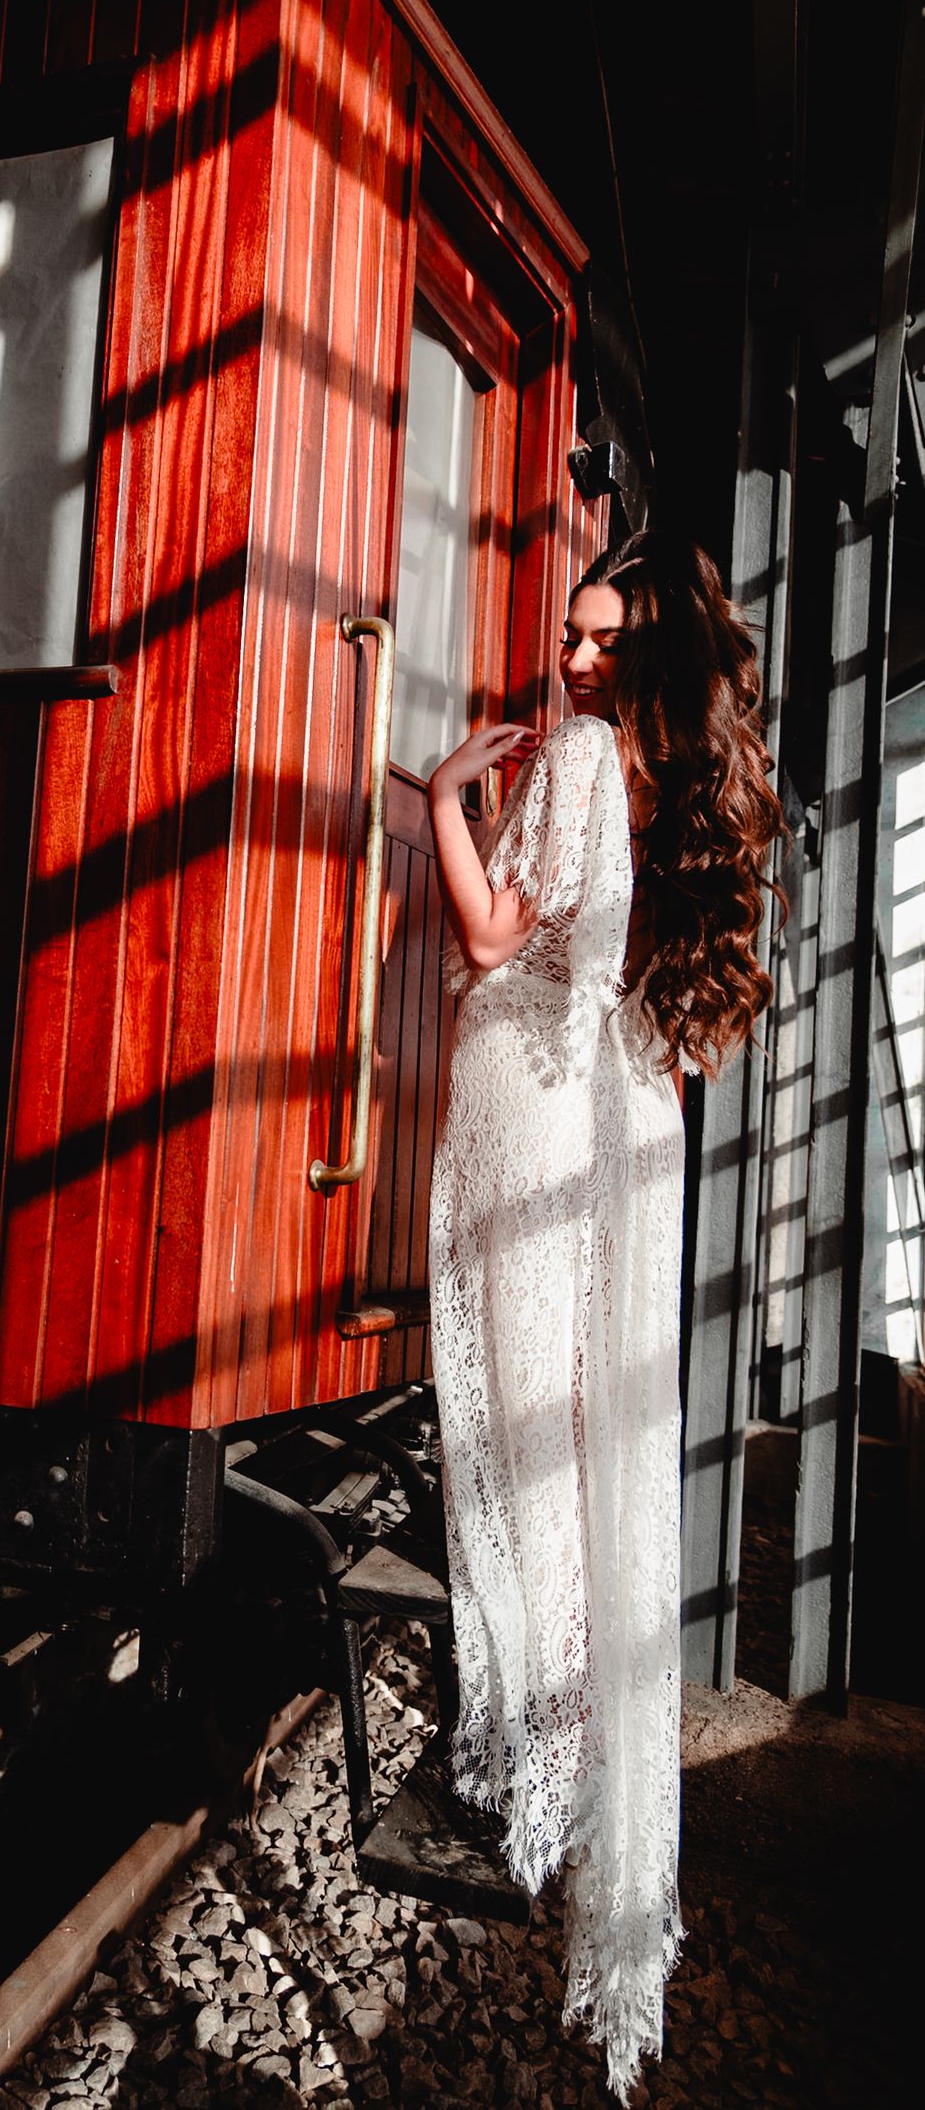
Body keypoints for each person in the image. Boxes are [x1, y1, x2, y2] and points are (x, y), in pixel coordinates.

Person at [424, 532, 783, 2102]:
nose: (570, 662)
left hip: (531, 1105)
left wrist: (436, 798)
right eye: (566, 635)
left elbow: (492, 942)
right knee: (594, 1429)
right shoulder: (692, 791)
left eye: (596, 640)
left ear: (639, 658)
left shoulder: (571, 758)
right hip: (623, 1122)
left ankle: (532, 1730)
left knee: (515, 1410)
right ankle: (583, 1764)